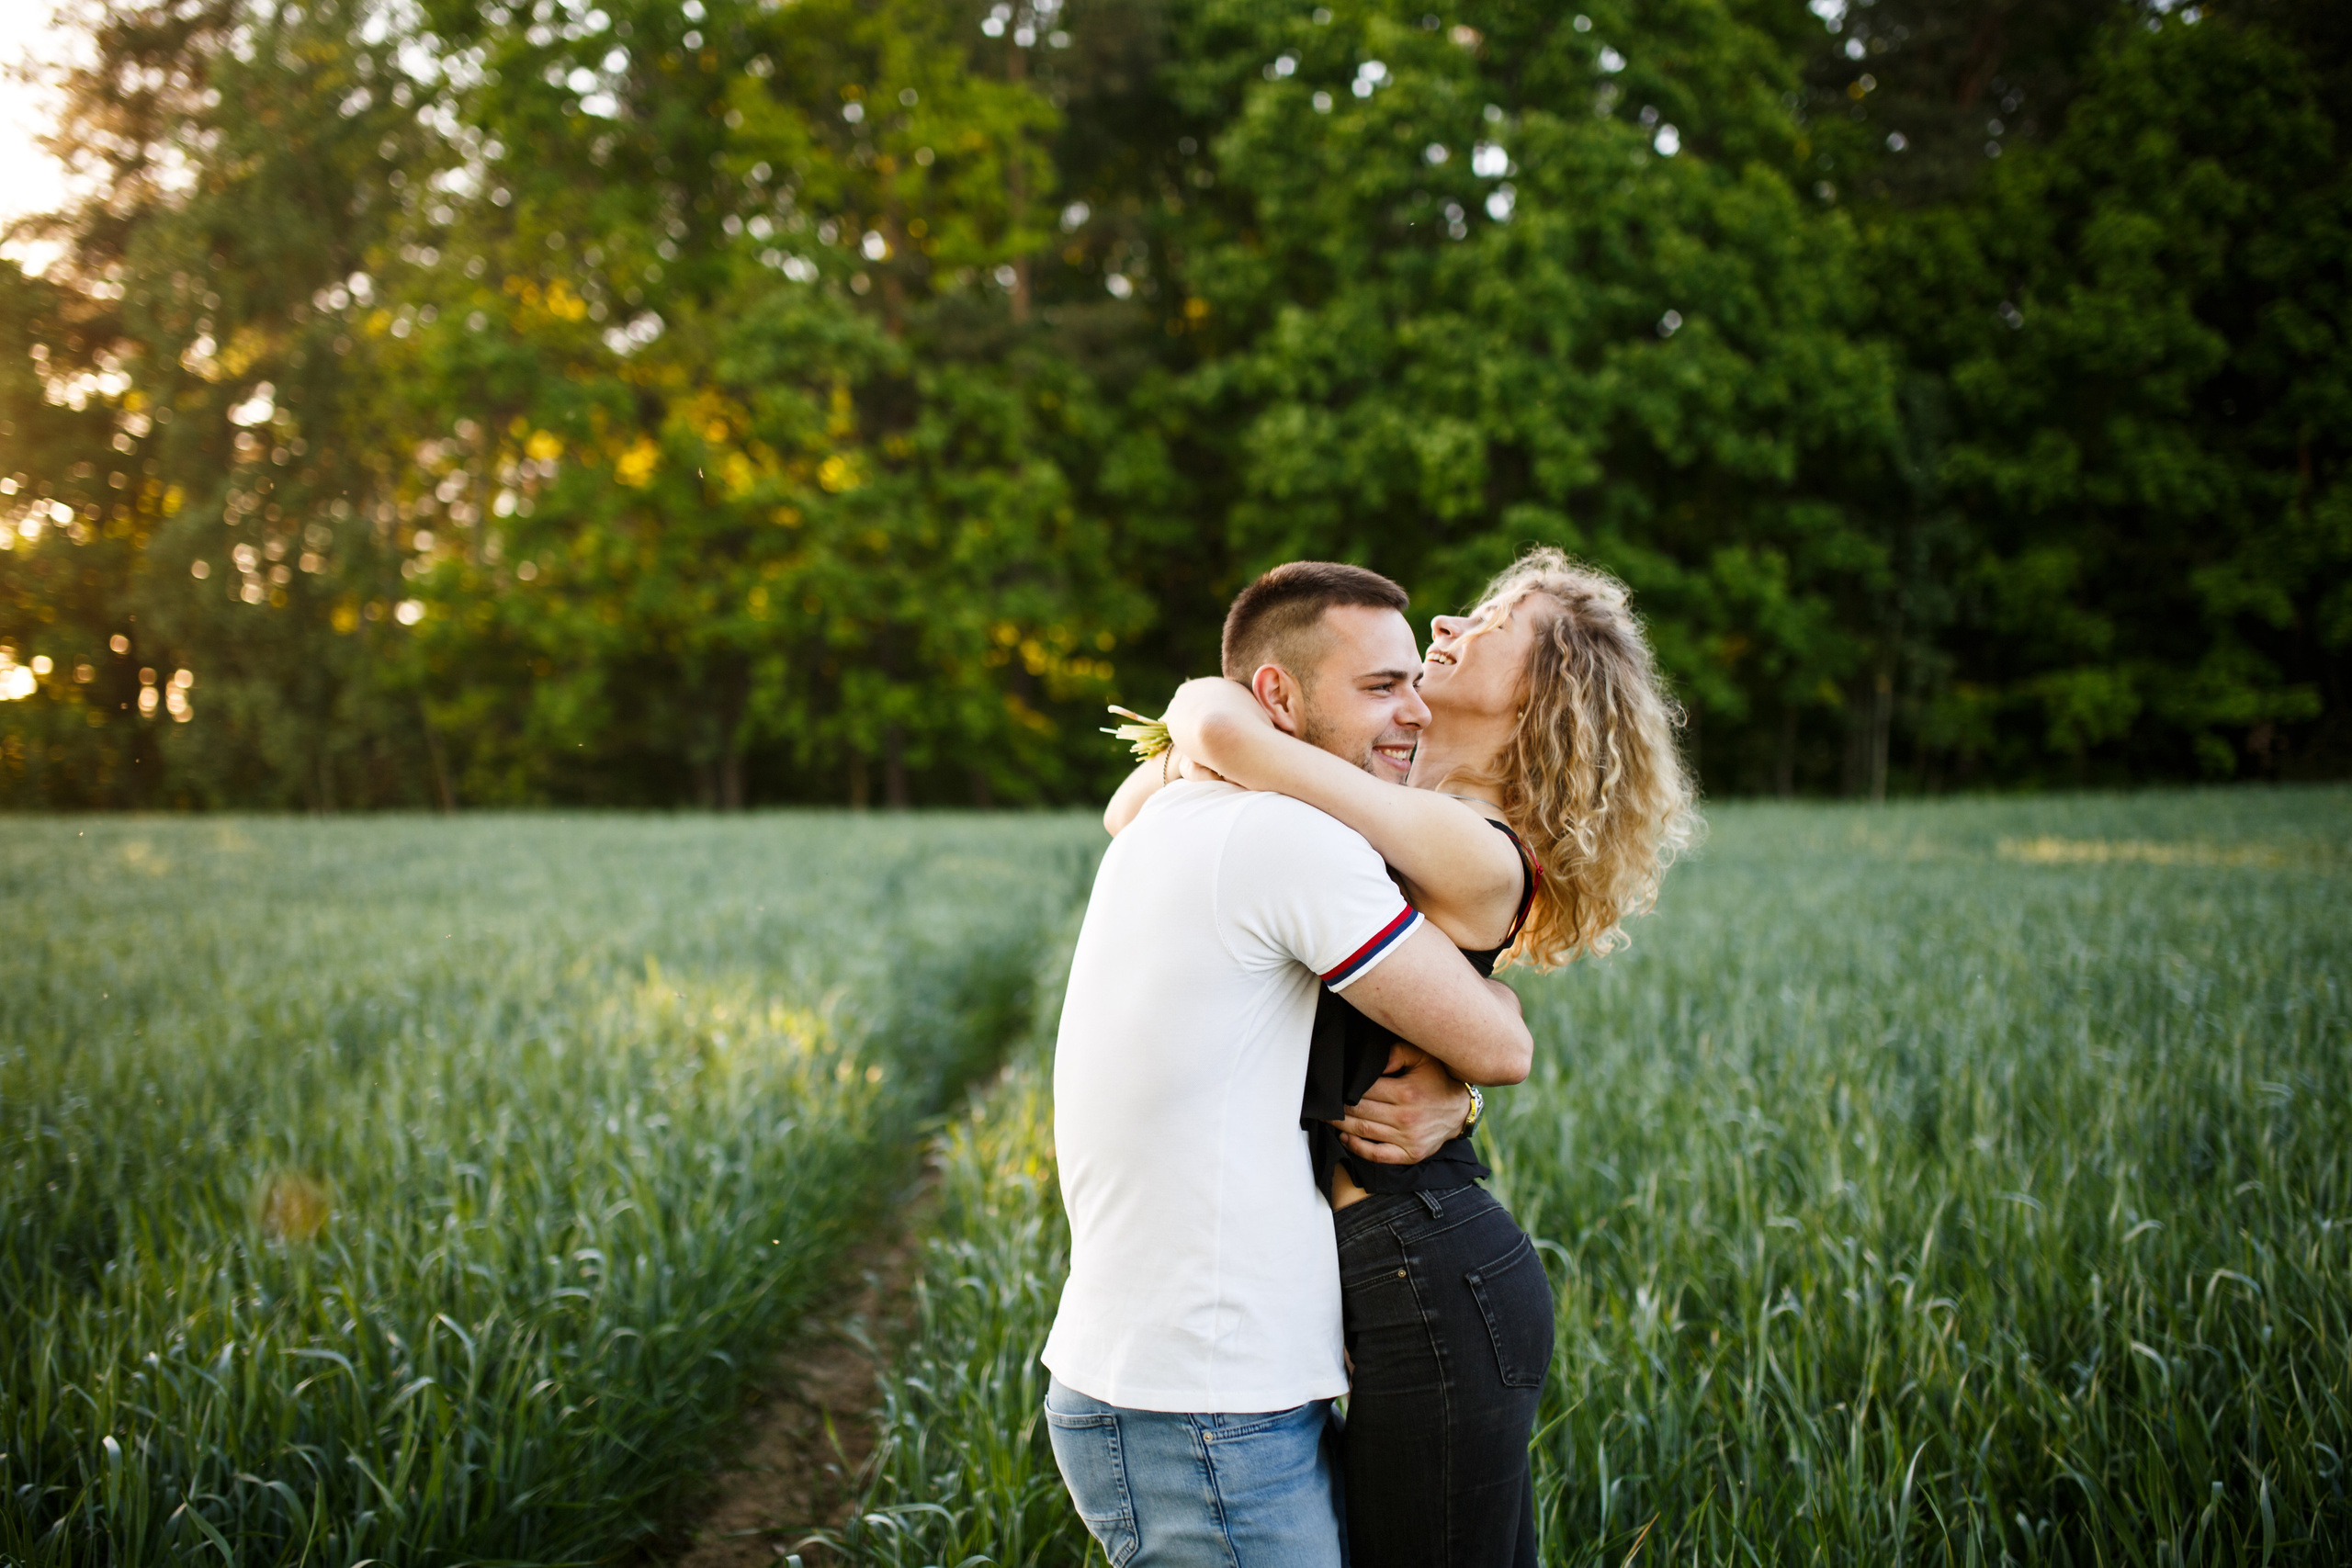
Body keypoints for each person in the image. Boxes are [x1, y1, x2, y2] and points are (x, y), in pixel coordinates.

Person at [1114, 547, 1701, 1568]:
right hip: (1387, 1267)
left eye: (1487, 626)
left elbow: (1217, 736)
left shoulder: (1472, 845)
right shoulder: (1389, 805)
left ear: (1533, 700)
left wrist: (1214, 714)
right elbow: (1135, 816)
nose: (1446, 628)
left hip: (1432, 1267)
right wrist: (1481, 1057)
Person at [1042, 562, 1536, 1568]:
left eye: (1413, 680)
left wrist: (1457, 1094)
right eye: (1378, 688)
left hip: (1186, 1376)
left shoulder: (1183, 811)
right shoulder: (1288, 838)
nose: (1412, 711)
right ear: (1278, 697)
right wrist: (1473, 1070)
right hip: (1202, 1398)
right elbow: (1495, 1042)